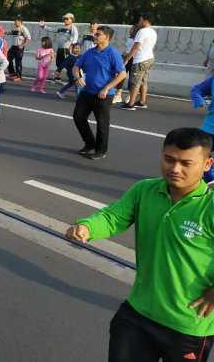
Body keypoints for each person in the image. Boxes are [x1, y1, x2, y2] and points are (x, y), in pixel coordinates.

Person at [66, 128, 214, 362]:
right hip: (138, 312)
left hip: (188, 326)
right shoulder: (145, 190)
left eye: (186, 163)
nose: (175, 169)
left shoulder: (209, 206)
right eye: (169, 159)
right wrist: (87, 227)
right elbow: (113, 217)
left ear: (207, 164)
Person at [72, 26, 127, 160]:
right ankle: (90, 143)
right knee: (78, 117)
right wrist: (77, 77)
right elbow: (76, 66)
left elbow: (122, 74)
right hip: (87, 92)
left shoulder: (112, 53)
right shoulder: (89, 52)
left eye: (98, 34)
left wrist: (106, 88)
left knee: (102, 123)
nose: (95, 36)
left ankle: (101, 151)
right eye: (95, 34)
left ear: (107, 37)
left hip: (103, 94)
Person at [121, 13, 157, 111]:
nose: (139, 22)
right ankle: (142, 101)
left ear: (145, 20)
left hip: (140, 59)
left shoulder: (142, 31)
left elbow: (136, 47)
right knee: (144, 81)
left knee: (135, 82)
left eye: (140, 20)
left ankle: (131, 104)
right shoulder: (153, 31)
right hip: (150, 58)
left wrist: (127, 58)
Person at [40, 13, 79, 82]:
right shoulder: (61, 27)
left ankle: (73, 77)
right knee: (58, 63)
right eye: (64, 19)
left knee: (67, 64)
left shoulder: (73, 28)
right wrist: (43, 26)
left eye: (67, 19)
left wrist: (72, 45)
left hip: (66, 49)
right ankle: (58, 77)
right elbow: (52, 29)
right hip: (60, 48)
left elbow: (75, 37)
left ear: (72, 20)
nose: (65, 20)